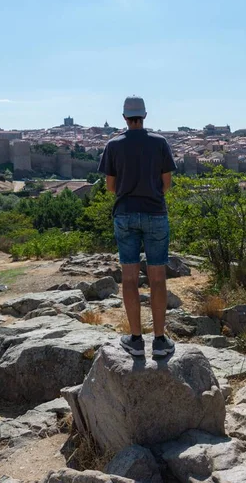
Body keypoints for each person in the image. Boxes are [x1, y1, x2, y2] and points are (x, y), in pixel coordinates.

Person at [98, 96, 177, 358]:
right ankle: (160, 340)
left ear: (123, 117)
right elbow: (166, 184)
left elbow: (110, 187)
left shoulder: (113, 145)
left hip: (125, 213)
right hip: (156, 213)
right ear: (145, 116)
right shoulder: (160, 143)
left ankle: (134, 339)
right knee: (157, 278)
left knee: (129, 278)